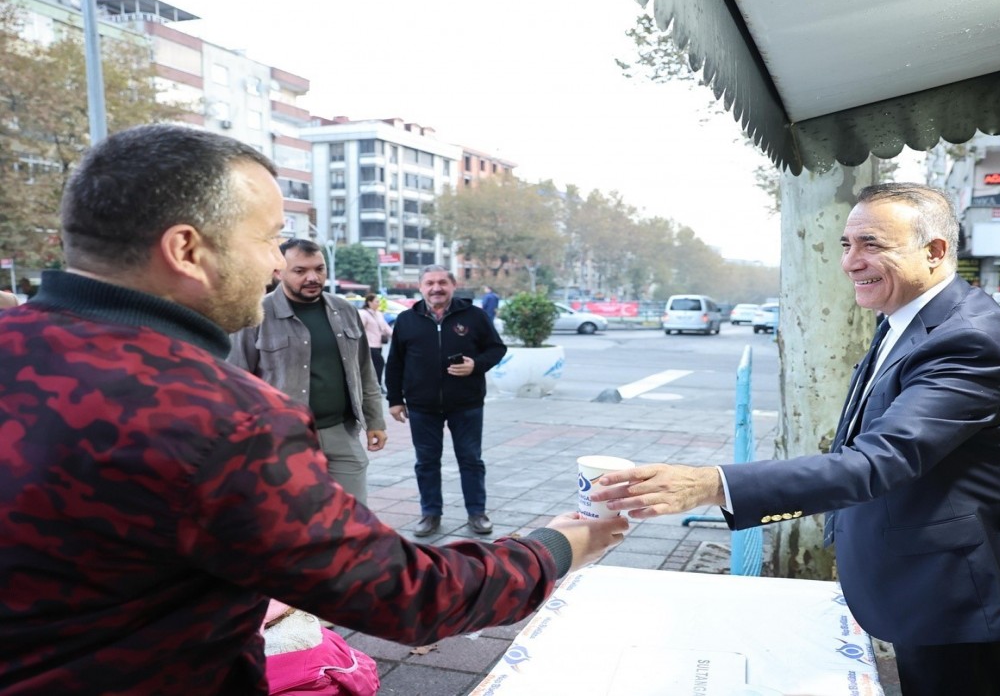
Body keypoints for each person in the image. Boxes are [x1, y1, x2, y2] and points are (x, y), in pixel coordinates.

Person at [0, 124, 626, 695]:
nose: (277, 262)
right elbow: (408, 596)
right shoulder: (222, 419)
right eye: (268, 239)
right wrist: (555, 546)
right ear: (187, 250)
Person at [592, 183, 1000, 695]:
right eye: (846, 244)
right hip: (918, 574)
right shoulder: (909, 314)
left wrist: (711, 484)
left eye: (871, 244)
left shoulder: (969, 341)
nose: (851, 261)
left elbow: (877, 461)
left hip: (954, 590)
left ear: (935, 251)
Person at [228, 239, 387, 505]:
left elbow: (364, 371)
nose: (313, 277)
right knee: (295, 524)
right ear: (279, 271)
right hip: (283, 442)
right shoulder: (255, 315)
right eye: (300, 271)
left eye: (319, 269)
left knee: (353, 521)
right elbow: (235, 384)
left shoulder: (345, 311)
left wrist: (375, 421)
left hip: (341, 434)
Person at [386, 266, 507, 537]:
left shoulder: (474, 316)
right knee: (426, 462)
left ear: (453, 285)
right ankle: (430, 514)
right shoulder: (407, 319)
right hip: (422, 405)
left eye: (442, 282)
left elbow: (497, 348)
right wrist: (395, 399)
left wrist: (476, 364)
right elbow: (395, 362)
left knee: (471, 459)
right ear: (420, 287)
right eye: (430, 283)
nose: (436, 288)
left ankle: (477, 513)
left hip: (467, 403)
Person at [359, 293, 394, 391]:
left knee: (374, 366)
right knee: (380, 363)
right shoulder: (363, 314)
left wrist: (396, 336)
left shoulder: (379, 314)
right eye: (376, 301)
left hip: (378, 344)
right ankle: (377, 385)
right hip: (369, 345)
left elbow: (386, 327)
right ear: (369, 302)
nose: (378, 304)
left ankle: (375, 385)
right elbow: (360, 329)